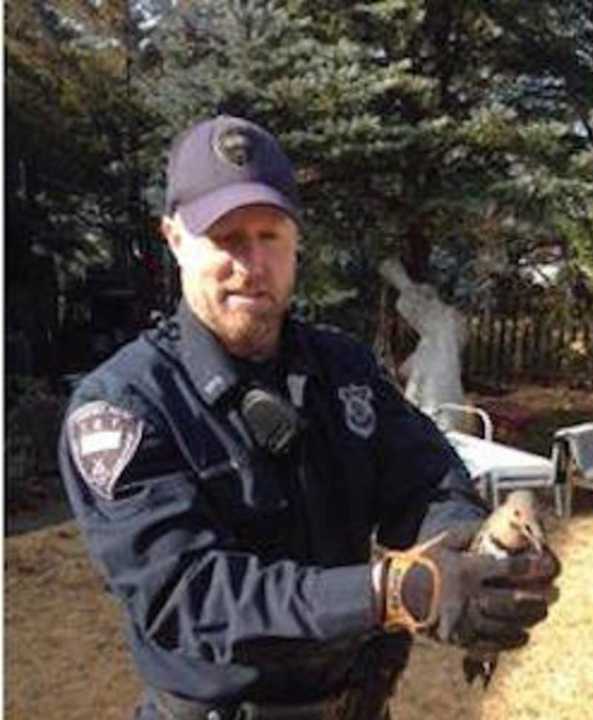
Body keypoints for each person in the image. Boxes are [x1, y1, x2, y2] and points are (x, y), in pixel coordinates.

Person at [58, 115, 560, 720]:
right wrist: (389, 593)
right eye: (226, 238)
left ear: (296, 241)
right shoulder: (123, 407)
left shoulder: (342, 368)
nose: (252, 262)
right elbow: (189, 596)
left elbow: (425, 479)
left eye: (269, 235)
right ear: (174, 239)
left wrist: (478, 551)